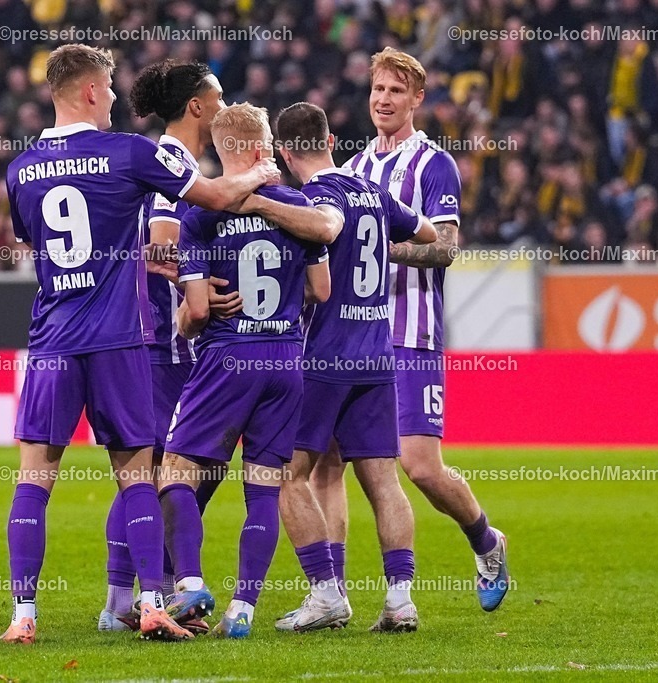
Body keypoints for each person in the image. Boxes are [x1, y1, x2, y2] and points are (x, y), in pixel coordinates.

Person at [0, 44, 280, 645]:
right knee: (137, 474)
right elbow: (213, 200)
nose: (113, 99)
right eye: (108, 87)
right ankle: (151, 602)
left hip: (53, 340)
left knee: (33, 479)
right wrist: (260, 173)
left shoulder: (19, 169)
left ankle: (23, 616)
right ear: (91, 91)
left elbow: (32, 240)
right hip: (119, 339)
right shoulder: (129, 152)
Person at [318, 48, 511, 617]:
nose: (384, 100)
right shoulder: (353, 168)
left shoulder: (434, 164)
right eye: (378, 89)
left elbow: (446, 248)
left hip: (411, 334)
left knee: (420, 466)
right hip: (352, 336)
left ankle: (486, 540)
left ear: (417, 99)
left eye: (396, 91)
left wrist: (380, 250)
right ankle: (331, 593)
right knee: (328, 461)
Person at [157, 103, 331, 639]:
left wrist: (188, 317)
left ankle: (189, 583)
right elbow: (321, 290)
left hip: (228, 358)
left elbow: (196, 314)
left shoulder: (200, 214)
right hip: (285, 359)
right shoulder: (296, 206)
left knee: (174, 472)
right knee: (263, 487)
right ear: (262, 149)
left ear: (219, 149)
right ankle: (243, 610)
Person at [271, 101, 438, 633]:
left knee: (287, 475)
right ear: (329, 139)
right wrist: (384, 244)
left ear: (284, 152)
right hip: (377, 355)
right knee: (383, 481)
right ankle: (400, 600)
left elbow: (323, 239)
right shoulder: (373, 191)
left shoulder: (310, 201)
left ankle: (326, 593)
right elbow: (429, 234)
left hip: (324, 356)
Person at [98, 59, 233, 635]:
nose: (227, 107)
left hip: (164, 340)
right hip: (161, 341)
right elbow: (158, 250)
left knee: (169, 467)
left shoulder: (179, 161)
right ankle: (123, 602)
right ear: (197, 106)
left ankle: (139, 594)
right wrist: (197, 287)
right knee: (156, 469)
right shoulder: (172, 161)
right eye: (219, 97)